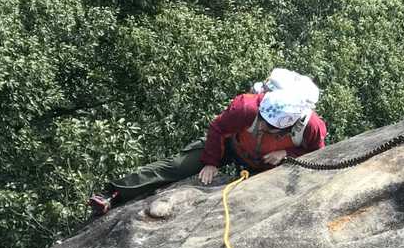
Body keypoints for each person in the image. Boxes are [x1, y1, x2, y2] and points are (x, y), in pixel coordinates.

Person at [88, 70, 327, 215]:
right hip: (230, 146)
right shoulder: (247, 106)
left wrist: (287, 153)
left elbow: (318, 158)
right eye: (262, 120)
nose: (262, 126)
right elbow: (218, 128)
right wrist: (211, 161)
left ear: (289, 124)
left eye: (270, 126)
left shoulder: (311, 127)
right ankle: (114, 193)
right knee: (177, 166)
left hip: (269, 165)